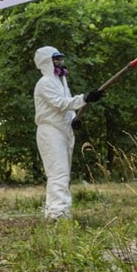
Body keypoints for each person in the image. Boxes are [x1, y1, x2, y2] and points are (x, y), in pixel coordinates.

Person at [32, 46, 104, 221]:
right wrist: (84, 99)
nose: (60, 62)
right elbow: (60, 103)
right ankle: (59, 216)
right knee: (59, 173)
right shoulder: (45, 83)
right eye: (56, 59)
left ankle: (53, 212)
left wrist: (74, 120)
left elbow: (65, 108)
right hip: (50, 132)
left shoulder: (60, 82)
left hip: (63, 131)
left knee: (61, 174)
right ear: (46, 61)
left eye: (60, 59)